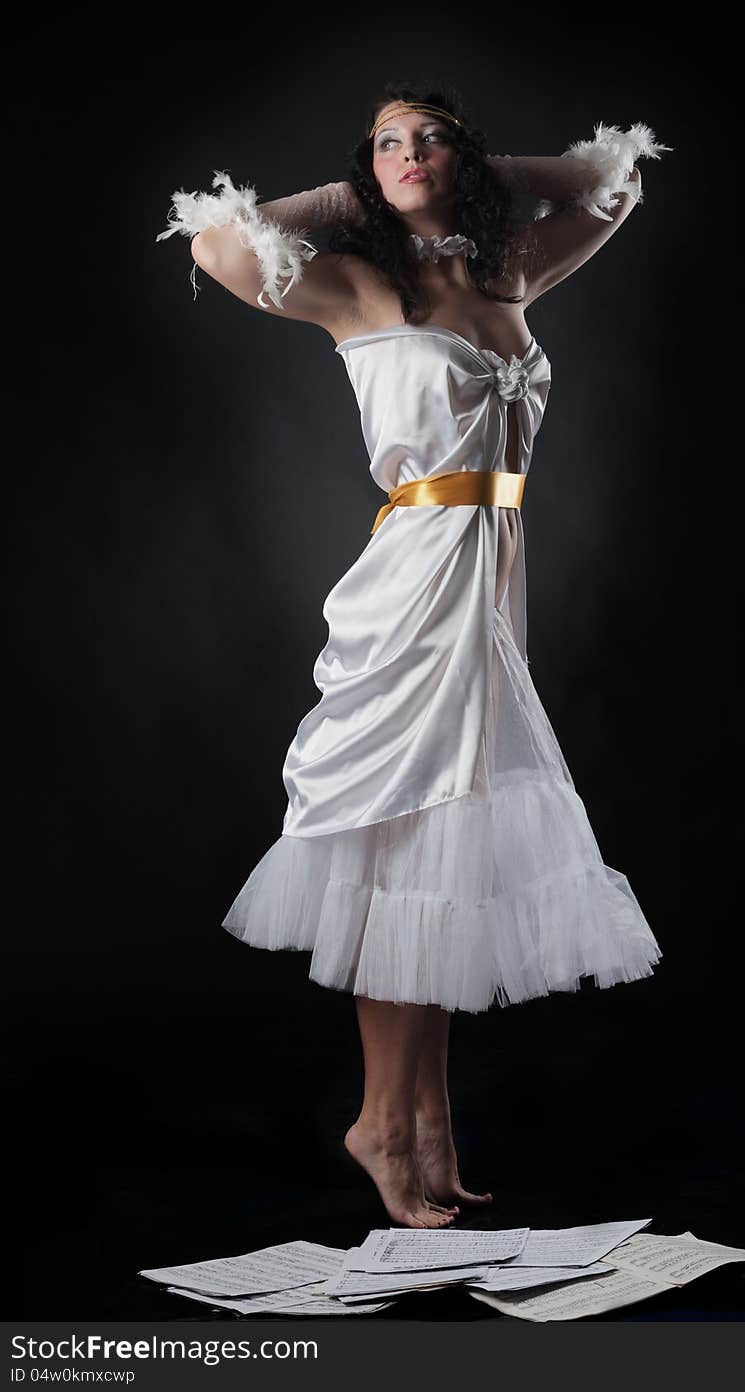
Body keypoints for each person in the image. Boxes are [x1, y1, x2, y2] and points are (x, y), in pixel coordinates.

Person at [157, 84, 671, 1229]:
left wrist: (482, 172)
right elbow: (216, 237)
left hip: (490, 577)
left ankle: (428, 1119)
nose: (408, 153)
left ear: (464, 155)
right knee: (410, 829)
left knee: (451, 835)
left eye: (428, 136)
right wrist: (354, 193)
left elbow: (617, 182)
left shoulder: (511, 274)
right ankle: (381, 1121)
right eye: (386, 141)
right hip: (415, 581)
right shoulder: (359, 287)